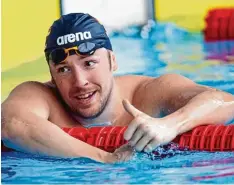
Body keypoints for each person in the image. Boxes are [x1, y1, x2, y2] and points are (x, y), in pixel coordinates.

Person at [2, 13, 234, 163]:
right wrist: (105, 158)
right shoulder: (39, 96)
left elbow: (224, 100)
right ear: (52, 75)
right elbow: (10, 126)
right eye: (64, 69)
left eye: (89, 63)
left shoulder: (151, 92)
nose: (80, 81)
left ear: (113, 61)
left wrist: (170, 125)